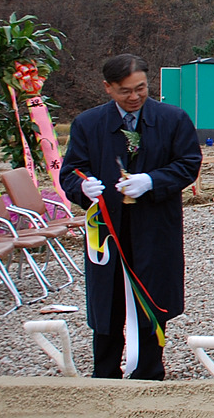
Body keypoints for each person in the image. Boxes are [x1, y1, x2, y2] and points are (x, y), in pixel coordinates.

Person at [61, 54, 201, 379]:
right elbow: (70, 172)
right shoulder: (88, 124)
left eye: (141, 88)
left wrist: (152, 181)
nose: (135, 96)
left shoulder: (173, 119)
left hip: (154, 228)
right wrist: (85, 188)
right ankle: (106, 374)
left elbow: (188, 163)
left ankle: (149, 373)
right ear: (108, 88)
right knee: (107, 307)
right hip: (108, 231)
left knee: (151, 302)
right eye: (125, 91)